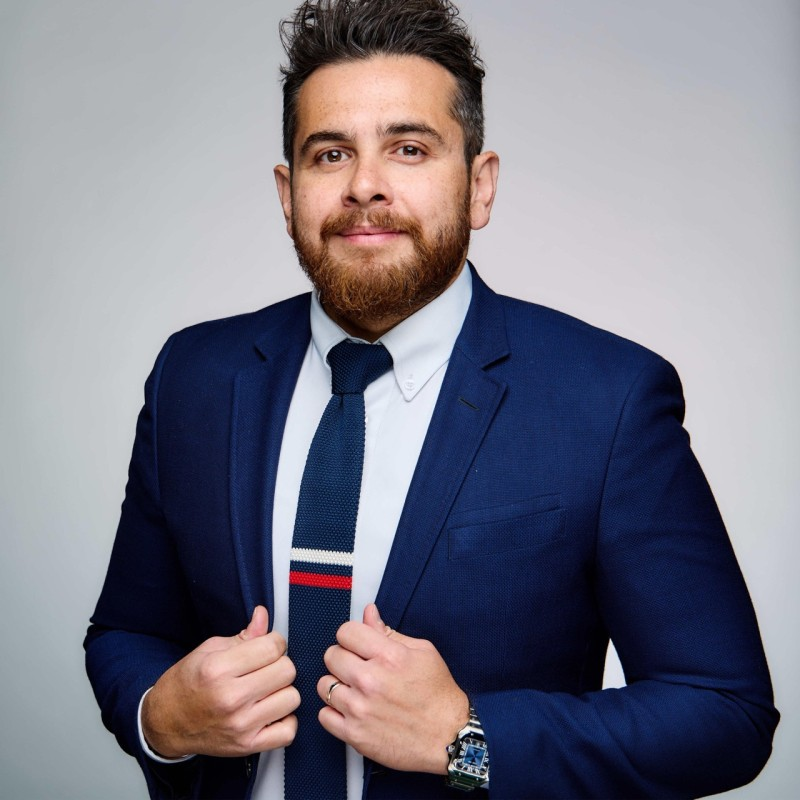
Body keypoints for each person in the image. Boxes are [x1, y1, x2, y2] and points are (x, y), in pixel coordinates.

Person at [84, 1, 778, 798]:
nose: (364, 187)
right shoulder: (194, 377)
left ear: (479, 186)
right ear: (287, 193)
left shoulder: (608, 400)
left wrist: (468, 738)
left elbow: (724, 713)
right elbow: (126, 631)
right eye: (330, 154)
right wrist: (160, 717)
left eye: (408, 149)